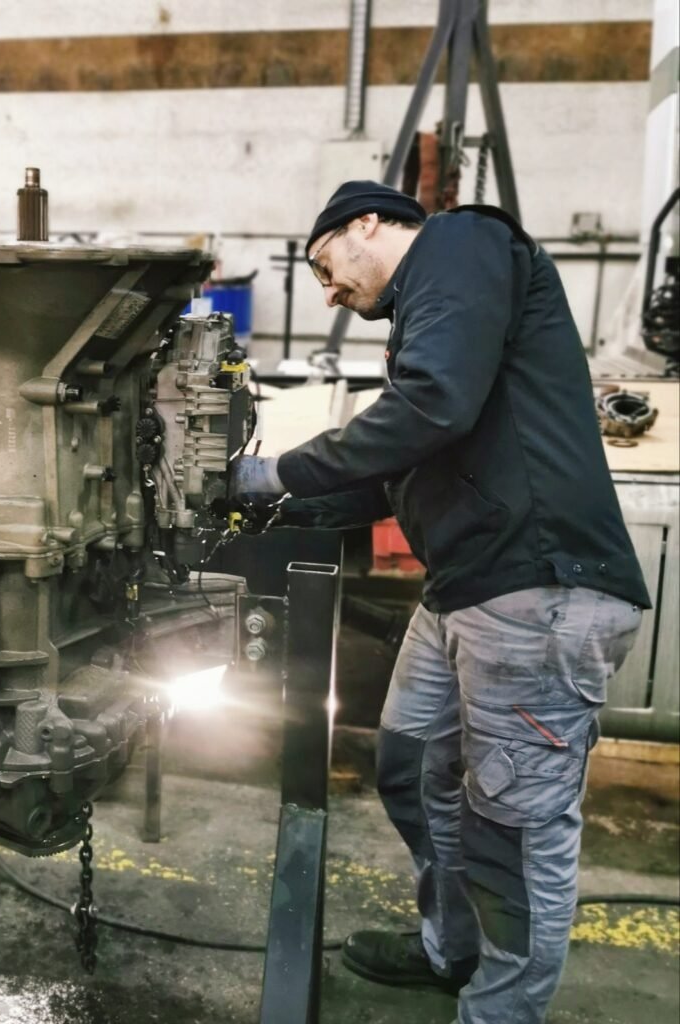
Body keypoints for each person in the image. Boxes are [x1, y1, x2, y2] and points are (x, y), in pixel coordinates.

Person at [232, 181, 650, 1024]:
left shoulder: (459, 245)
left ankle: (497, 1011)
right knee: (411, 768)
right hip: (466, 588)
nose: (328, 294)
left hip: (539, 592)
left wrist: (278, 469)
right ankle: (450, 950)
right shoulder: (432, 321)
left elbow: (433, 406)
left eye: (325, 266)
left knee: (514, 832)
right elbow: (402, 469)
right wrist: (261, 509)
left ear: (370, 224)